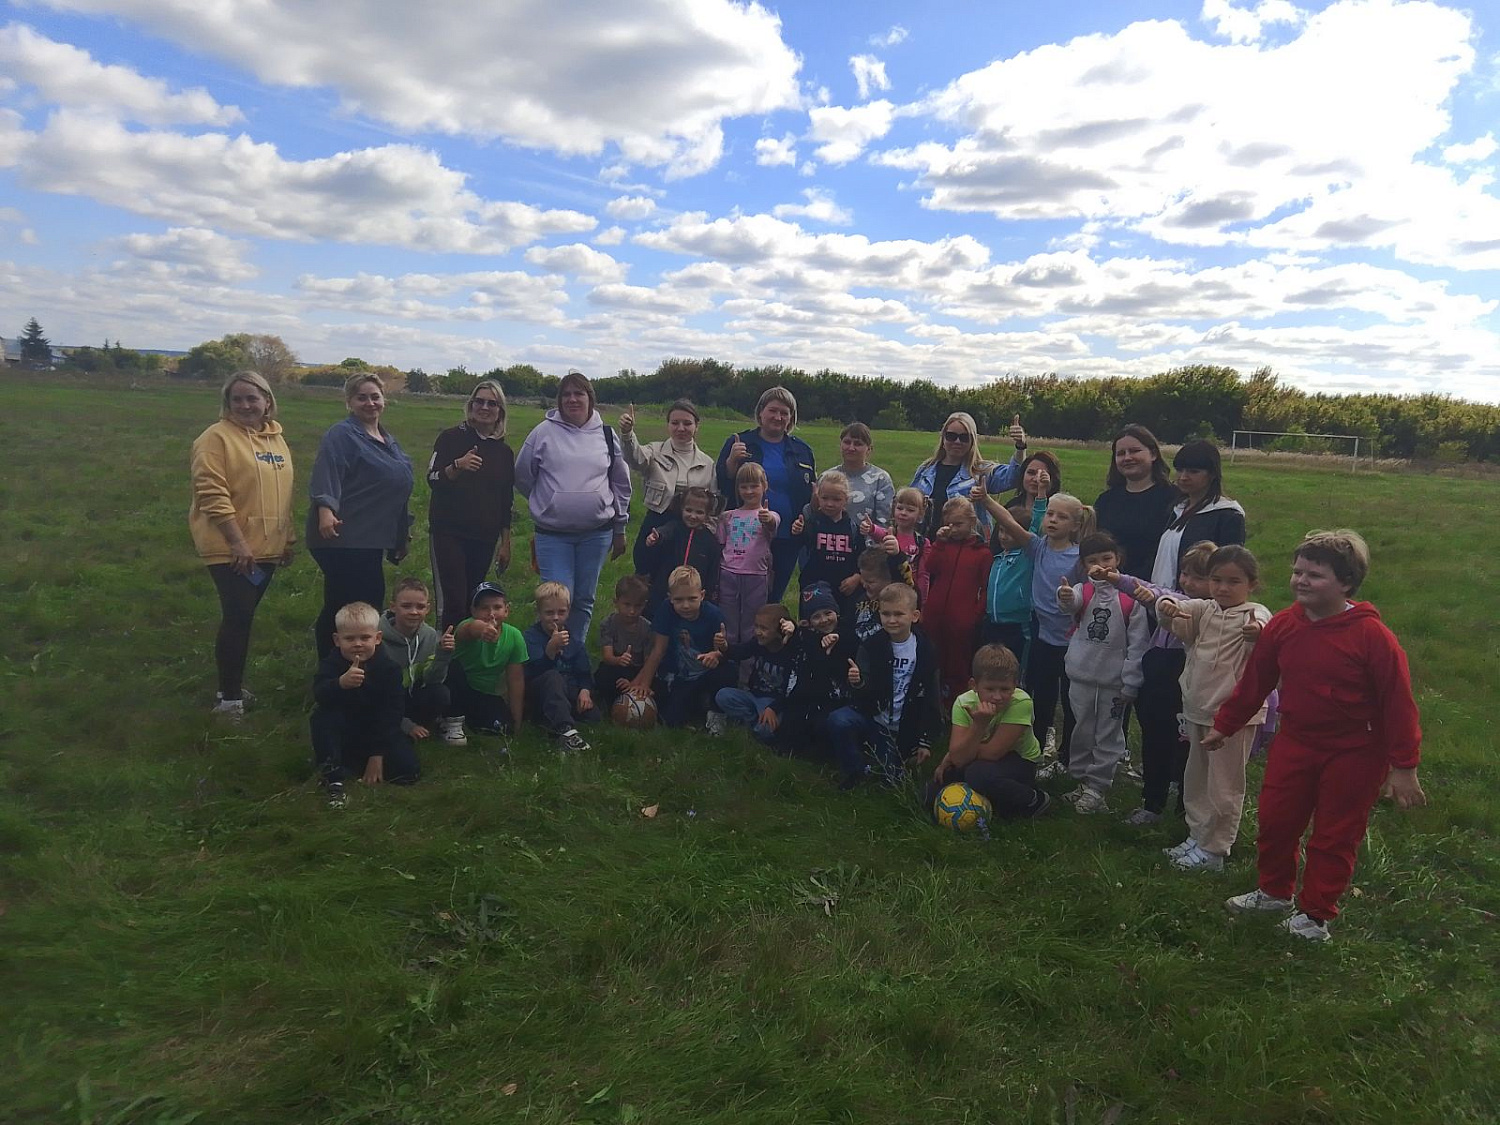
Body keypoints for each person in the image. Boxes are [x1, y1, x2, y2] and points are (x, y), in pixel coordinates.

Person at [1215, 530, 1425, 942]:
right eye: (1297, 572)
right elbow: (1257, 680)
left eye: (1315, 574)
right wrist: (1226, 723)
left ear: (1346, 583)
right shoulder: (1284, 625)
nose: (1301, 581)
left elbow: (1398, 703)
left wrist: (1405, 767)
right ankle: (1274, 892)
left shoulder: (1373, 637)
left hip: (1356, 752)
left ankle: (1315, 915)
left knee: (1334, 833)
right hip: (1296, 742)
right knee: (1276, 820)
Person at [1154, 545, 1273, 871]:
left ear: (1252, 584)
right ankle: (1198, 834)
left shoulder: (1254, 612)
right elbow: (1177, 614)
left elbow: (1264, 629)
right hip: (1198, 708)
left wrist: (1257, 632)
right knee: (1197, 778)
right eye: (1216, 579)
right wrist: (1165, 606)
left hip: (1232, 716)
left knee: (1224, 784)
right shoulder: (1206, 609)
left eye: (1233, 581)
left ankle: (1215, 850)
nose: (1223, 588)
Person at [189, 371, 296, 718]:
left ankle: (231, 685)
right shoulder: (214, 439)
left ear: (267, 400)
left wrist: (287, 537)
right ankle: (229, 700)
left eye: (253, 398)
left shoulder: (277, 440)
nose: (246, 405)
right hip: (232, 549)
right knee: (237, 618)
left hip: (266, 549)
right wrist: (236, 542)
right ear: (227, 402)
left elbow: (283, 495)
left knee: (244, 618)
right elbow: (212, 494)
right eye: (238, 399)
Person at [1101, 540, 1218, 826]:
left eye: (1198, 577)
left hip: (1186, 687)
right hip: (1155, 682)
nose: (1188, 582)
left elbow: (1166, 600)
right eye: (1185, 574)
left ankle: (1184, 807)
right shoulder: (1174, 596)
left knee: (1186, 745)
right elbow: (1154, 591)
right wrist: (1117, 578)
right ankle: (1152, 802)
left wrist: (1155, 599)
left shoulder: (1211, 613)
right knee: (1154, 740)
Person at [515, 370, 631, 644]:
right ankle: (550, 657)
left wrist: (620, 527)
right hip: (553, 536)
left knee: (583, 599)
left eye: (578, 393)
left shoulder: (605, 434)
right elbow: (522, 475)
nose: (572, 399)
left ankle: (573, 655)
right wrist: (549, 500)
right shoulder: (542, 433)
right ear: (559, 400)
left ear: (590, 398)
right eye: (566, 394)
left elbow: (620, 482)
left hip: (597, 533)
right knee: (556, 599)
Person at [307, 372, 414, 658]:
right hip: (343, 536)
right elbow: (327, 472)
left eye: (375, 396)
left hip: (371, 539)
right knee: (343, 607)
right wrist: (326, 510)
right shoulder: (342, 435)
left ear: (384, 401)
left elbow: (397, 487)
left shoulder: (388, 440)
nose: (370, 403)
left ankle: (359, 665)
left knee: (368, 604)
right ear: (349, 403)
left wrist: (400, 534)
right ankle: (332, 670)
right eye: (362, 397)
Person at [986, 493, 1094, 773]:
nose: (1053, 520)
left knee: (1071, 702)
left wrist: (1073, 596)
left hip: (1072, 643)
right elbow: (1008, 522)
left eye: (1062, 516)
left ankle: (1069, 758)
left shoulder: (1080, 558)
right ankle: (1032, 754)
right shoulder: (1038, 547)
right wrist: (985, 500)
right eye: (1050, 514)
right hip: (1043, 639)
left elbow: (1090, 594)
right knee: (1041, 699)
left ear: (1075, 525)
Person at [1055, 532, 1150, 814]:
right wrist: (1063, 595)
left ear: (1117, 559)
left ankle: (1098, 787)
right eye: (1092, 561)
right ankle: (1082, 781)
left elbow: (1138, 644)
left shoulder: (1129, 596)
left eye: (1106, 558)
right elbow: (1070, 603)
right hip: (1081, 675)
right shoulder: (1083, 590)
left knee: (1108, 734)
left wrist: (1131, 683)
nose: (1101, 566)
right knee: (1082, 728)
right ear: (1084, 565)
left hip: (1113, 683)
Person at [829, 583, 941, 789]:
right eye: (886, 614)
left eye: (898, 614)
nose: (891, 620)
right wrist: (858, 681)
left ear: (914, 615)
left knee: (891, 783)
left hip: (904, 726)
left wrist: (925, 740)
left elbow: (932, 697)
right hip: (876, 719)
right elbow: (863, 692)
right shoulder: (871, 645)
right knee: (839, 720)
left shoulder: (925, 649)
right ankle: (854, 769)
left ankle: (895, 758)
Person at [311, 601, 418, 809]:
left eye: (365, 637)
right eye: (349, 638)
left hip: (376, 731)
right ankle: (333, 777)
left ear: (377, 638)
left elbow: (392, 713)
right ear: (336, 640)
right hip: (343, 729)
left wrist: (377, 754)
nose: (358, 644)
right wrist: (340, 684)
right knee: (322, 719)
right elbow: (320, 695)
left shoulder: (389, 669)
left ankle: (360, 765)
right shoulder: (331, 664)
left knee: (408, 771)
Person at [426, 379, 515, 629]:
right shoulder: (450, 439)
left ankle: (466, 658)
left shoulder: (503, 452)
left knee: (473, 600)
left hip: (484, 538)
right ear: (471, 405)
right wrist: (457, 466)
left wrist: (505, 543)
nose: (484, 407)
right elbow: (432, 479)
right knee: (452, 602)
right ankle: (444, 660)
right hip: (448, 533)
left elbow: (505, 501)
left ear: (500, 411)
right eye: (479, 401)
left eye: (491, 403)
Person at [924, 645, 1051, 821]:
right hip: (980, 759)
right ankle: (987, 801)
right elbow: (960, 758)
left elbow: (992, 753)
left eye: (1005, 689)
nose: (997, 697)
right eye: (990, 689)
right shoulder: (963, 703)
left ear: (1015, 685)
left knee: (977, 774)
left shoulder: (1021, 702)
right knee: (931, 792)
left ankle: (1034, 799)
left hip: (1020, 760)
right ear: (974, 685)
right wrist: (954, 756)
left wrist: (978, 726)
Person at [715, 386, 815, 602]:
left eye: (785, 413)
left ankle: (768, 635)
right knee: (740, 597)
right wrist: (732, 461)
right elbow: (721, 484)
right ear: (760, 412)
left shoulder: (802, 450)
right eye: (773, 410)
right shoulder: (739, 442)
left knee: (773, 597)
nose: (778, 417)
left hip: (787, 536)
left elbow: (809, 493)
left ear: (791, 418)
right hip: (746, 536)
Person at [618, 398, 717, 575]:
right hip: (656, 523)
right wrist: (627, 434)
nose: (681, 428)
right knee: (647, 574)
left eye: (687, 423)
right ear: (668, 425)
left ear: (697, 426)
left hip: (690, 529)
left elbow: (713, 504)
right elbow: (635, 459)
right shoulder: (654, 451)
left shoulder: (707, 464)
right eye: (675, 423)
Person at [628, 565, 731, 730]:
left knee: (727, 671)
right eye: (679, 600)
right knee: (671, 720)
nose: (686, 606)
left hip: (705, 671)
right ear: (670, 598)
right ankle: (697, 703)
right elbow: (658, 650)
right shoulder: (665, 611)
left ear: (702, 595)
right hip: (680, 675)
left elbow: (722, 650)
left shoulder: (714, 615)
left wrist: (715, 654)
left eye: (692, 599)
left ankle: (716, 713)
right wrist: (644, 684)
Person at [918, 496, 992, 707]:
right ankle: (932, 702)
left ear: (972, 521)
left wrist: (974, 615)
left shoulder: (982, 552)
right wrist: (939, 542)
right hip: (934, 615)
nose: (954, 529)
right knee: (933, 659)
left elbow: (986, 588)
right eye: (949, 524)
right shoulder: (943, 546)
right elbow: (930, 568)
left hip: (962, 620)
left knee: (958, 663)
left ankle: (956, 705)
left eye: (959, 524)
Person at [909, 412, 1027, 539]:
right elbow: (909, 503)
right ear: (943, 438)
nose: (957, 441)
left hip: (965, 548)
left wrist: (1020, 446)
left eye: (964, 437)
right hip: (926, 546)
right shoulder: (925, 470)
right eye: (951, 436)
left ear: (972, 441)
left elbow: (1014, 477)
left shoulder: (981, 472)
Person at [1151, 440, 1246, 588]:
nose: (1183, 477)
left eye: (1193, 471)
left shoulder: (1227, 515)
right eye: (1180, 470)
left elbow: (1228, 568)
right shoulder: (1177, 509)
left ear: (1212, 474)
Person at [442, 582, 527, 746]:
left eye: (497, 607)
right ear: (473, 611)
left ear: (506, 610)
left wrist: (516, 722)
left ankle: (469, 721)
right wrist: (482, 630)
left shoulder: (515, 636)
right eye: (484, 608)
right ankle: (450, 721)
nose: (491, 613)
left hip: (484, 694)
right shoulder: (465, 625)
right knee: (453, 668)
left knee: (503, 728)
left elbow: (515, 680)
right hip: (458, 689)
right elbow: (469, 629)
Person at [523, 582, 599, 754]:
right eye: (549, 613)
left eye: (561, 612)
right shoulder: (531, 637)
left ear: (568, 611)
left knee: (593, 715)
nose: (555, 617)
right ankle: (566, 731)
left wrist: (585, 690)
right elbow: (532, 671)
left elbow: (584, 672)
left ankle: (552, 721)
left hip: (568, 688)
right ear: (539, 613)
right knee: (553, 677)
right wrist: (550, 650)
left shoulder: (574, 639)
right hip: (542, 689)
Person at [782, 583, 858, 755]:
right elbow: (794, 646)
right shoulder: (806, 637)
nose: (824, 620)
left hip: (840, 700)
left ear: (836, 612)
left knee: (825, 727)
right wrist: (792, 629)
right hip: (811, 698)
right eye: (816, 616)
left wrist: (837, 641)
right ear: (808, 622)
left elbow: (852, 641)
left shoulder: (848, 634)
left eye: (828, 613)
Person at [1094, 425, 1176, 580]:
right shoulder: (1106, 500)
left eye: (1134, 451)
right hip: (1109, 588)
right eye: (1120, 454)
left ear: (1153, 454)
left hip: (1154, 589)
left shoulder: (1174, 499)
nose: (1127, 458)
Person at [379, 577, 455, 743]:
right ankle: (401, 727)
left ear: (428, 608)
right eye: (406, 606)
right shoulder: (377, 639)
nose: (414, 612)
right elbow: (376, 693)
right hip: (384, 702)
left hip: (412, 695)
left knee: (441, 694)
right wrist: (405, 725)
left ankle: (420, 725)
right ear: (393, 607)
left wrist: (443, 654)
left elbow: (433, 680)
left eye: (420, 607)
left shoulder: (430, 635)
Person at [714, 603, 797, 746]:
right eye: (756, 626)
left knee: (766, 731)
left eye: (764, 628)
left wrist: (774, 708)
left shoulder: (791, 651)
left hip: (776, 702)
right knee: (723, 695)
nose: (758, 632)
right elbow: (741, 652)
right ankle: (754, 722)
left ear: (780, 630)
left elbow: (793, 689)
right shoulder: (759, 643)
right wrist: (725, 647)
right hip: (753, 696)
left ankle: (757, 725)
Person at [716, 463, 779, 645]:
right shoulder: (728, 516)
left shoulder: (769, 515)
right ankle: (728, 661)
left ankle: (749, 664)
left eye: (754, 486)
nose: (749, 491)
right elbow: (720, 543)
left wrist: (767, 519)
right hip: (728, 573)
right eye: (744, 487)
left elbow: (772, 524)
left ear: (764, 486)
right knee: (728, 620)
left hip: (756, 576)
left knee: (752, 623)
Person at [791, 470, 867, 619]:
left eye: (836, 499)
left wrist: (857, 577)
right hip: (814, 588)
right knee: (812, 628)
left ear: (846, 500)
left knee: (843, 627)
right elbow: (798, 546)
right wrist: (797, 531)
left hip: (844, 589)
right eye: (825, 498)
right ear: (818, 497)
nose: (830, 504)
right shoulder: (812, 523)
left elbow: (862, 559)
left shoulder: (853, 528)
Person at [639, 485, 720, 618]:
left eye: (699, 512)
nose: (693, 516)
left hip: (692, 596)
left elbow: (712, 570)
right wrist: (656, 537)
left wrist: (709, 594)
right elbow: (664, 532)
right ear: (682, 509)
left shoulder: (710, 542)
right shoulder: (675, 527)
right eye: (688, 510)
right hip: (665, 591)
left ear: (707, 515)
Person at [977, 496, 1041, 666]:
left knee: (1016, 668)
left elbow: (1037, 526)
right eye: (1001, 531)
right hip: (993, 623)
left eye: (1010, 532)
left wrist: (1041, 496)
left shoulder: (1026, 556)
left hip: (1018, 625)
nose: (1004, 537)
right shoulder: (998, 559)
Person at [594, 574, 653, 714]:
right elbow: (607, 656)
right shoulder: (608, 624)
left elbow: (648, 663)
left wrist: (634, 682)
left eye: (637, 606)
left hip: (638, 670)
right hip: (615, 666)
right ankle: (608, 704)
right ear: (616, 602)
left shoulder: (647, 628)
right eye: (627, 605)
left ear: (644, 605)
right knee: (603, 675)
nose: (632, 611)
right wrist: (619, 660)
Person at [835, 422, 894, 529]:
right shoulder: (828, 476)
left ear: (869, 449)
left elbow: (885, 521)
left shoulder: (881, 479)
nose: (851, 448)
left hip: (868, 543)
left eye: (858, 444)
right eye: (847, 442)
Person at [867, 486, 929, 578]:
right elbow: (879, 533)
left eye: (910, 510)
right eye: (900, 508)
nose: (903, 513)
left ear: (920, 515)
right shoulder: (890, 534)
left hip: (909, 587)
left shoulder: (922, 543)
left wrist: (920, 592)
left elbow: (924, 573)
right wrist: (871, 528)